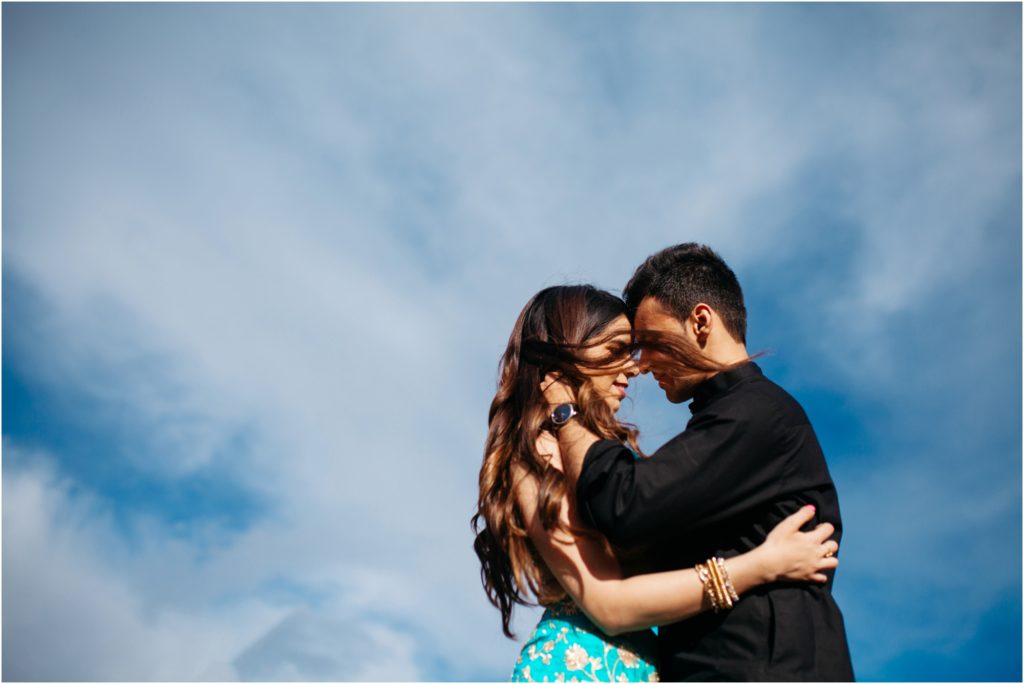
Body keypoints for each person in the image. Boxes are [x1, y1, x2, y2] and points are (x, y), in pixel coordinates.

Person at [473, 284, 841, 682]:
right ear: (571, 349)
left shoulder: (597, 456)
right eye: (617, 349)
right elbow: (608, 606)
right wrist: (762, 565)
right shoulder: (538, 453)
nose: (634, 368)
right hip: (576, 667)